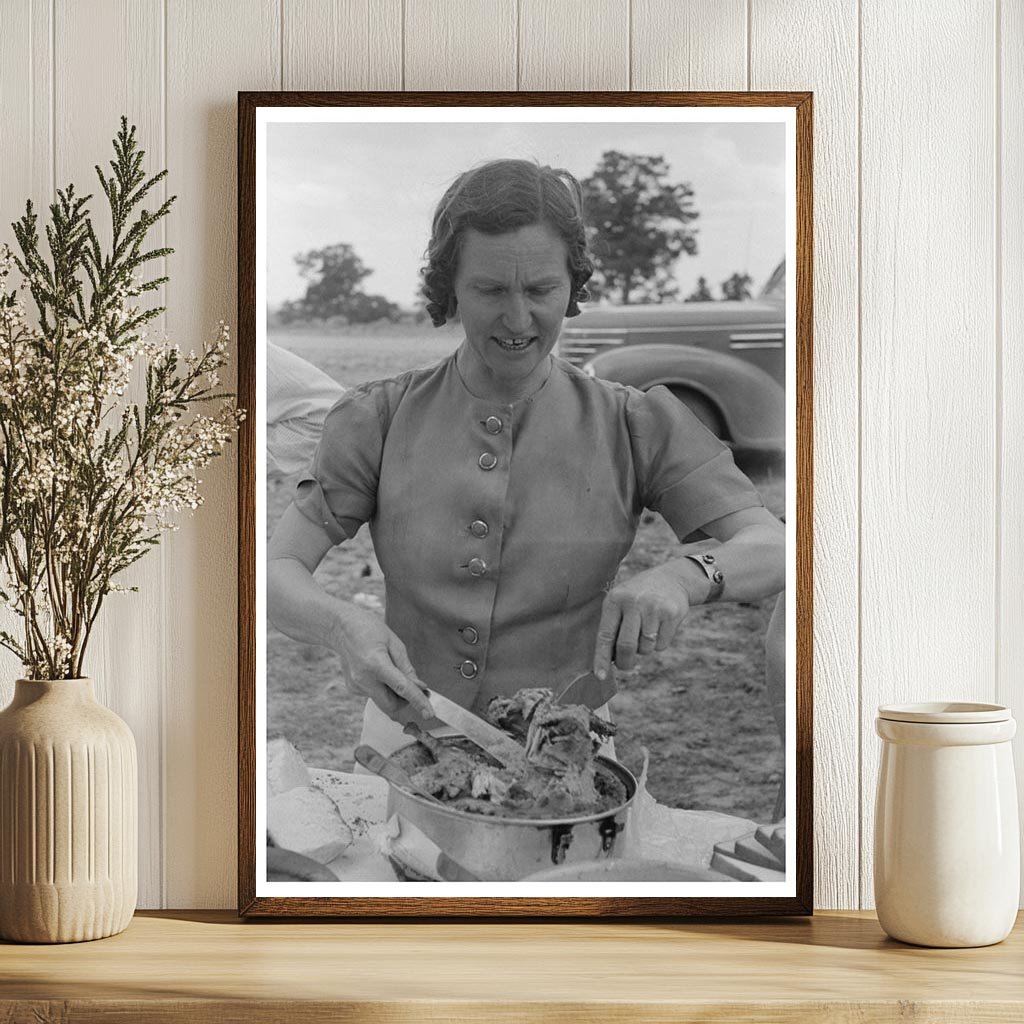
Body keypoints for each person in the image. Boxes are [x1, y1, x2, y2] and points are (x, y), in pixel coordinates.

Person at [268, 159, 785, 757]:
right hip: (403, 739)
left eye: (540, 290)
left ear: (573, 288)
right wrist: (341, 625)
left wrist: (684, 576)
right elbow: (277, 570)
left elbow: (771, 546)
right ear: (450, 290)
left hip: (568, 753)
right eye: (489, 290)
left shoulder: (636, 421)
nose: (517, 319)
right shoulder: (376, 417)